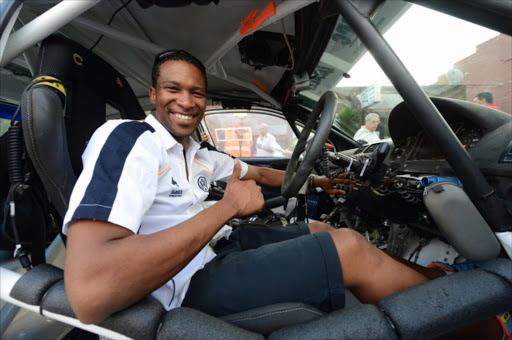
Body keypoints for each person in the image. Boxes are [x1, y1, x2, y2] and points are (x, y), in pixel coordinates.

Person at [62, 50, 507, 339]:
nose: (186, 101)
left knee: (316, 225)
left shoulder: (195, 152)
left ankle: (441, 285)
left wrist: (319, 183)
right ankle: (483, 324)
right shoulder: (130, 139)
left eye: (196, 92)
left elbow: (257, 172)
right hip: (184, 288)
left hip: (213, 253)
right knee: (348, 246)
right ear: (155, 94)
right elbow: (89, 291)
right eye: (173, 89)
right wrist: (228, 208)